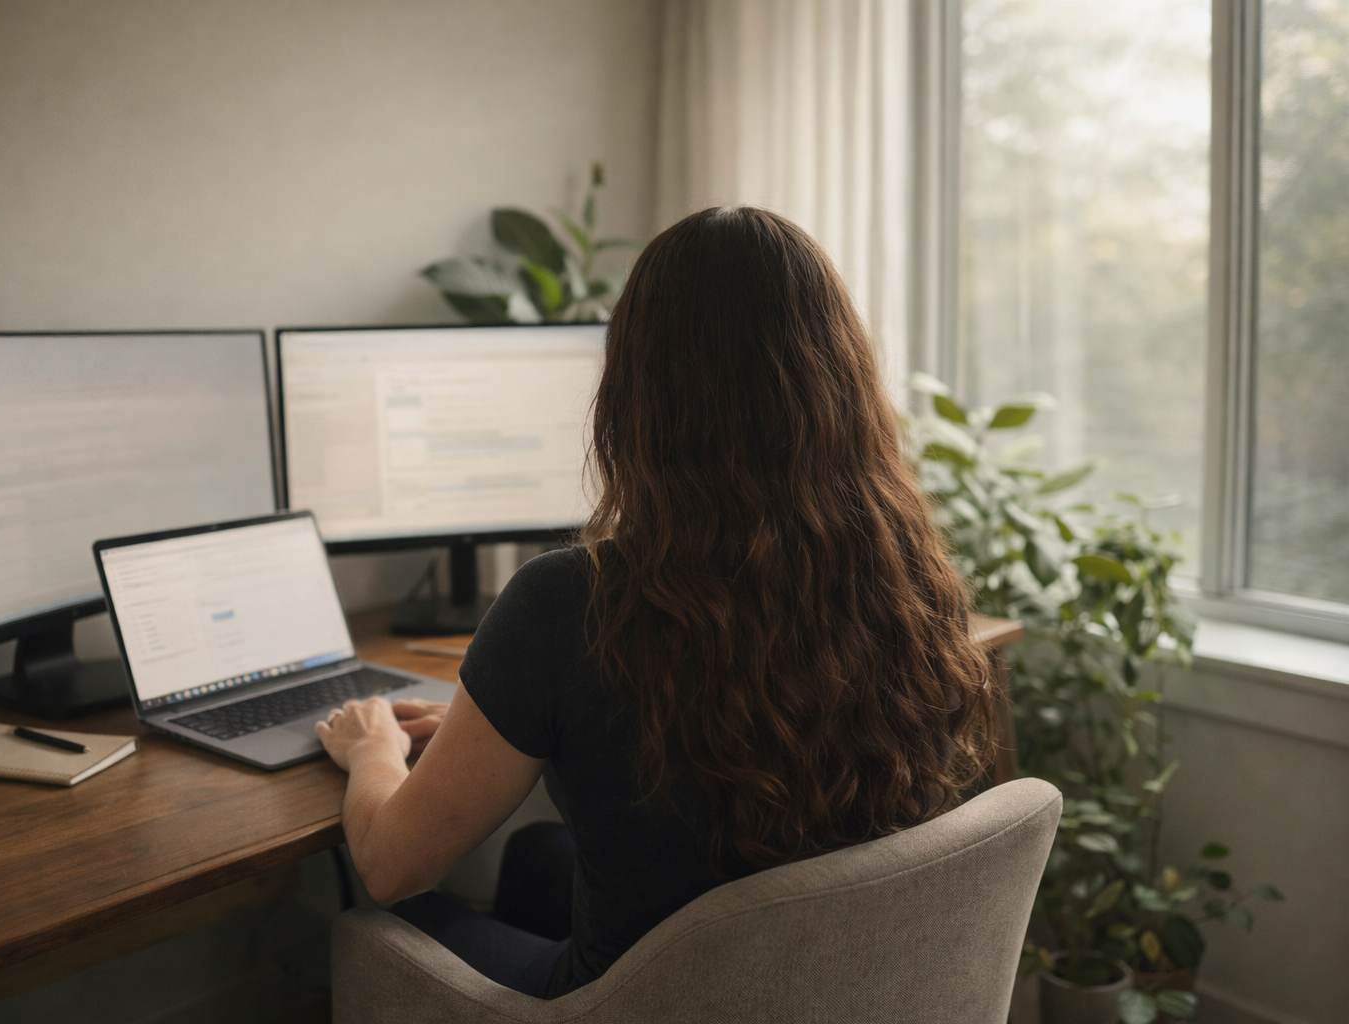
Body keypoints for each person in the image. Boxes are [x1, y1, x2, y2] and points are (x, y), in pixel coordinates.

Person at [315, 206, 996, 1000]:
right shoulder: (907, 572)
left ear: (636, 393)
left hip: (663, 1002)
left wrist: (373, 751)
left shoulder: (572, 600)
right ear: (838, 379)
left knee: (387, 922)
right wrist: (490, 732)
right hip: (838, 983)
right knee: (539, 858)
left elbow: (393, 865)